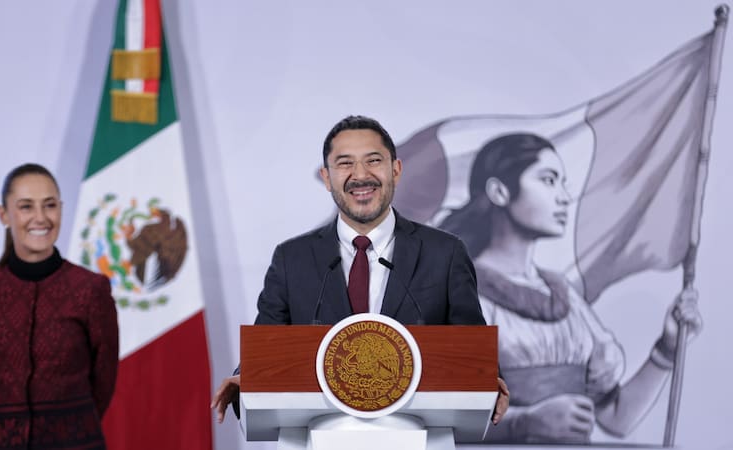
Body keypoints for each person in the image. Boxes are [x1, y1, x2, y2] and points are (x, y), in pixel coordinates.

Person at [211, 115, 510, 424]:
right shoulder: (292, 258)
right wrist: (245, 377)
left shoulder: (444, 253)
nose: (360, 175)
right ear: (326, 178)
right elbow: (267, 348)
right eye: (345, 164)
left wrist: (489, 379)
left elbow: (472, 348)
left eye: (373, 161)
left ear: (396, 170)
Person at [439, 133, 702, 444]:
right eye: (549, 180)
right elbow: (442, 420)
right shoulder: (458, 291)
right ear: (499, 191)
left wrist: (667, 349)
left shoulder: (565, 297)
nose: (564, 197)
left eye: (563, 183)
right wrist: (525, 423)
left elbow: (616, 418)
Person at [0, 163, 119, 449]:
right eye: (26, 206)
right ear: (3, 214)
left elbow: (103, 379)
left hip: (75, 442)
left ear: (61, 209)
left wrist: (69, 424)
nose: (40, 218)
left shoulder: (91, 289)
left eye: (50, 205)